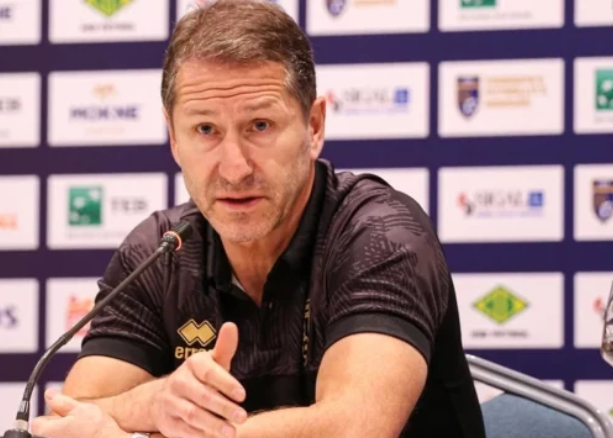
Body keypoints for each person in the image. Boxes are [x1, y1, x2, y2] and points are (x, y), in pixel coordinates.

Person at [31, 1, 486, 437]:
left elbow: (353, 428)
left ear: (313, 126)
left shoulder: (381, 235)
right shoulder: (161, 251)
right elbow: (69, 418)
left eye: (260, 126)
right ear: (174, 139)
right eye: (205, 129)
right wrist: (151, 404)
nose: (234, 169)